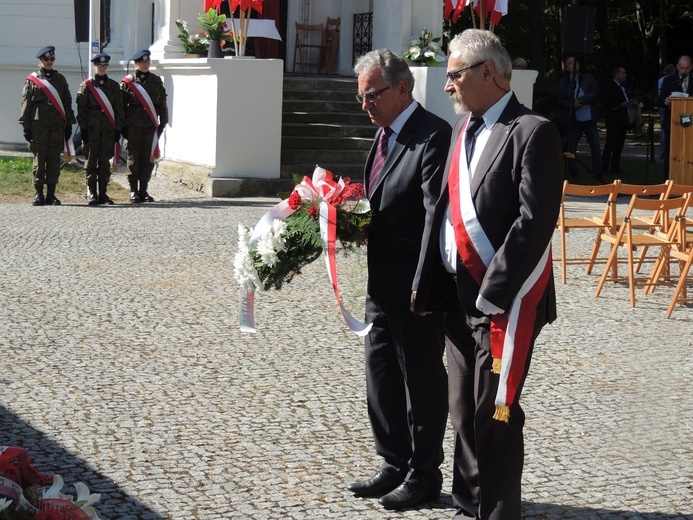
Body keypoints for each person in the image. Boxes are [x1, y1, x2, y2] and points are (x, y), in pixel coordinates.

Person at [411, 29, 563, 519]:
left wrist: (493, 291)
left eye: (454, 74)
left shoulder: (532, 131)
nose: (448, 85)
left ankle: (498, 513)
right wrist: (426, 278)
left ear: (488, 73)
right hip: (458, 297)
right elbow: (444, 212)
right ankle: (467, 503)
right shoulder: (462, 129)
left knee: (494, 412)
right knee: (462, 409)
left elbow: (533, 221)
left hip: (504, 302)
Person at [347, 49, 451, 510]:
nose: (365, 106)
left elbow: (435, 214)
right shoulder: (385, 134)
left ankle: (424, 473)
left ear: (403, 88)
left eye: (372, 96)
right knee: (382, 374)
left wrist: (424, 283)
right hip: (380, 284)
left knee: (421, 381)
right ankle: (393, 460)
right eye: (361, 98)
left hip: (416, 289)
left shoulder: (432, 136)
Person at [19, 45, 76, 206]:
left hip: (57, 125)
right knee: (39, 159)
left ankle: (51, 194)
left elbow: (67, 102)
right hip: (39, 126)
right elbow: (26, 103)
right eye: (46, 59)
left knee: (53, 160)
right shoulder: (32, 80)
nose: (49, 61)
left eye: (52, 58)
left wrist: (69, 125)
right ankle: (38, 193)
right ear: (40, 60)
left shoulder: (60, 79)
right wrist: (26, 126)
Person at [120, 49, 169, 203]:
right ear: (136, 64)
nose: (145, 64)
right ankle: (133, 190)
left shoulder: (156, 80)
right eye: (142, 62)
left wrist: (163, 122)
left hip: (150, 125)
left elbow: (162, 103)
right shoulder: (128, 82)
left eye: (147, 61)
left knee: (148, 157)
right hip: (133, 125)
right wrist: (122, 126)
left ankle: (144, 190)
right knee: (133, 157)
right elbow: (121, 106)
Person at [76, 52, 125, 206]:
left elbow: (119, 110)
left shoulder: (114, 86)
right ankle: (91, 192)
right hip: (91, 130)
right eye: (99, 65)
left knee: (104, 162)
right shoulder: (87, 86)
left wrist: (118, 129)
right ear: (94, 66)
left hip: (108, 131)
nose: (102, 68)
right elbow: (81, 110)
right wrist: (83, 130)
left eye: (105, 65)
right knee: (91, 162)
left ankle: (103, 193)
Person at [558, 55, 602, 178]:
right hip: (575, 118)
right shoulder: (564, 82)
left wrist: (582, 100)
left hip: (588, 117)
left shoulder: (587, 78)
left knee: (595, 144)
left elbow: (594, 91)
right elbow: (561, 99)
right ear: (567, 67)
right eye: (571, 63)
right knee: (571, 145)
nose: (574, 64)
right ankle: (572, 170)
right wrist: (572, 104)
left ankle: (597, 170)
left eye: (575, 62)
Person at [657, 55, 693, 179]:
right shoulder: (669, 81)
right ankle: (668, 181)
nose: (684, 71)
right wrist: (665, 101)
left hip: (690, 125)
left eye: (687, 68)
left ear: (691, 68)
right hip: (672, 124)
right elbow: (660, 100)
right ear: (677, 67)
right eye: (682, 68)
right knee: (670, 153)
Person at [602, 66, 635, 175]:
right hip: (613, 120)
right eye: (623, 73)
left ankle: (615, 167)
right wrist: (620, 105)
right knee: (610, 144)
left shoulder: (623, 87)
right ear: (617, 74)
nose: (625, 75)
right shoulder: (610, 87)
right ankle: (604, 166)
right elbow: (607, 103)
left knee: (619, 145)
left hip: (622, 120)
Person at [657, 63, 676, 159]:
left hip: (664, 105)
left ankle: (664, 149)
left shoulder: (661, 80)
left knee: (663, 127)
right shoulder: (671, 80)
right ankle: (667, 149)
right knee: (666, 127)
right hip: (666, 103)